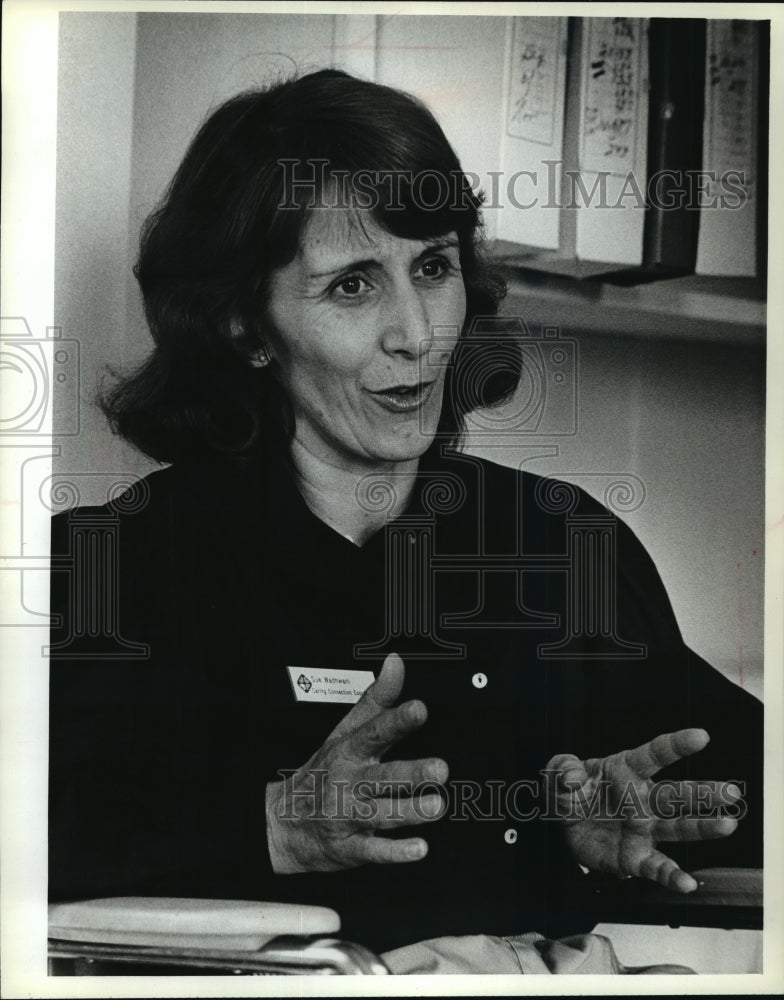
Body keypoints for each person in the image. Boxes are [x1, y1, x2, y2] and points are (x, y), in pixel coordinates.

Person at [49, 69, 762, 968]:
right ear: (244, 325)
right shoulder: (114, 568)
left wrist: (643, 825)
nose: (417, 334)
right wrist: (270, 825)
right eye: (353, 286)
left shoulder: (557, 545)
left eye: (431, 268)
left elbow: (742, 784)